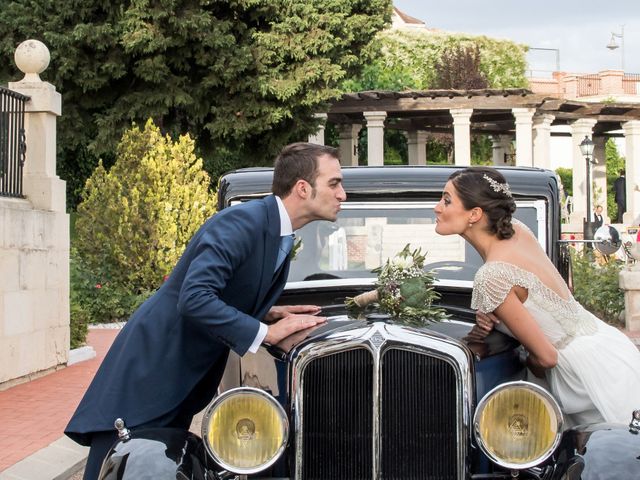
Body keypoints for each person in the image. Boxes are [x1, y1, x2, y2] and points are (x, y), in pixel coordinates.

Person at [65, 142, 347, 480]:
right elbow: (195, 297)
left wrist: (265, 314)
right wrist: (265, 334)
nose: (342, 194)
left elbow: (222, 291)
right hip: (150, 376)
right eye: (334, 183)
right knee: (121, 469)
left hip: (176, 384)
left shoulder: (274, 229)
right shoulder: (242, 222)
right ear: (303, 188)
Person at [434, 166, 640, 427]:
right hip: (606, 346)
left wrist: (525, 361)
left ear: (475, 214)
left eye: (446, 200)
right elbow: (532, 293)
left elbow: (546, 357)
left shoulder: (491, 275)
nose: (437, 208)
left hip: (583, 376)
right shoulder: (517, 231)